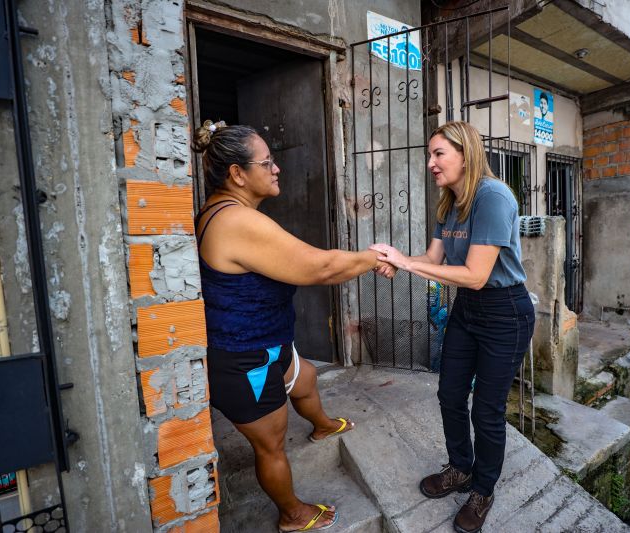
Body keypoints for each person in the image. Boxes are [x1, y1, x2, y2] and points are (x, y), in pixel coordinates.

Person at [191, 120, 393, 533]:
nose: (276, 168)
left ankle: (320, 426)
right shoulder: (235, 221)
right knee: (271, 445)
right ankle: (292, 514)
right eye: (266, 163)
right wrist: (374, 258)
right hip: (244, 358)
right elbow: (318, 266)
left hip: (269, 343)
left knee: (307, 378)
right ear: (237, 174)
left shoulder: (224, 210)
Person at [372, 121, 535, 533]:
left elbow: (477, 274)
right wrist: (396, 260)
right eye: (430, 155)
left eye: (438, 154)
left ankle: (483, 490)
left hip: (504, 312)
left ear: (465, 154)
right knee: (449, 394)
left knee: (487, 409)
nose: (431, 163)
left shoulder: (492, 197)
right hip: (468, 310)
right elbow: (433, 262)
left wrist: (408, 263)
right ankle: (460, 469)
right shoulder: (448, 204)